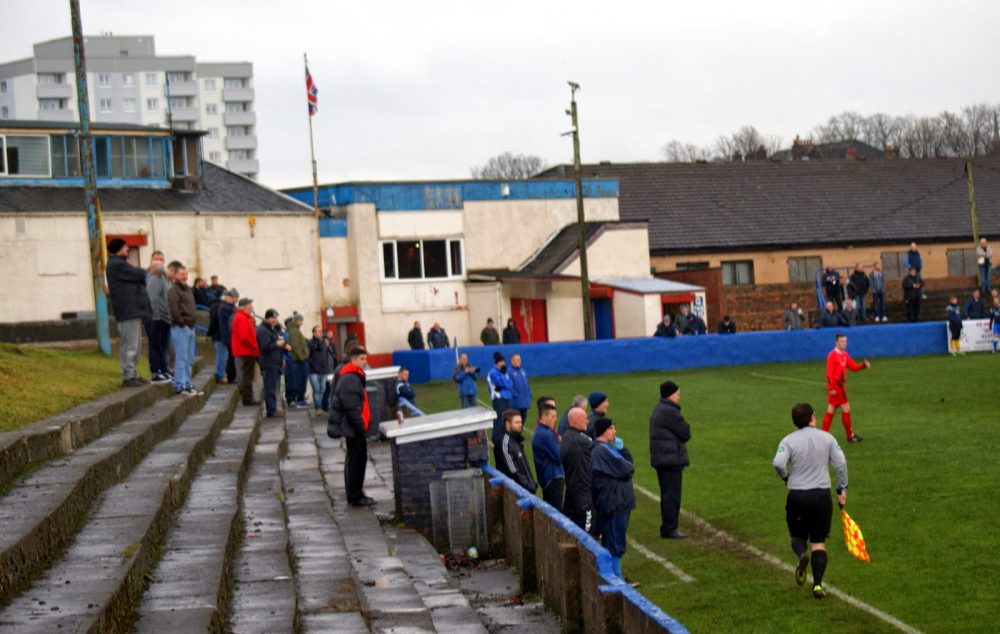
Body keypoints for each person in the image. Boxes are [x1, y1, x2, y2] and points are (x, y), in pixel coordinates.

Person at [772, 403, 849, 600]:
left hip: (798, 494)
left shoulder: (788, 440)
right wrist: (842, 488)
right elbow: (841, 463)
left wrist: (786, 477)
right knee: (818, 543)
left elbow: (778, 462)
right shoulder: (827, 437)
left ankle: (800, 556)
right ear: (813, 417)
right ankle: (817, 585)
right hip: (821, 495)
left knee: (797, 535)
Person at [328, 347, 376, 507]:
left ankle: (356, 493)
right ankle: (355, 496)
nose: (365, 361)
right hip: (354, 428)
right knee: (356, 462)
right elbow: (351, 407)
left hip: (355, 427)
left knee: (356, 461)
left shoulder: (354, 375)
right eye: (361, 359)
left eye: (365, 358)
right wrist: (361, 426)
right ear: (353, 360)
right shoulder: (350, 378)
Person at [591, 417, 636, 578]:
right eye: (612, 428)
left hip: (619, 502)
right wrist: (624, 462)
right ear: (604, 431)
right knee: (614, 543)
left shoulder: (608, 449)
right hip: (613, 503)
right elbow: (627, 469)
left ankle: (615, 576)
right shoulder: (601, 451)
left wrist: (622, 450)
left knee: (616, 541)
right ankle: (616, 579)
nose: (615, 432)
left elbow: (628, 464)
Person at [105, 238, 152, 386]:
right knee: (130, 345)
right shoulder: (117, 264)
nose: (128, 249)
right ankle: (128, 375)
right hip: (127, 310)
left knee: (134, 345)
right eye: (126, 247)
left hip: (132, 310)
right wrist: (151, 269)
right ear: (120, 248)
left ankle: (132, 373)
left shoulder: (120, 264)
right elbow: (140, 274)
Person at [649, 380, 690, 539]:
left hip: (663, 457)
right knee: (672, 495)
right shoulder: (670, 412)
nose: (679, 396)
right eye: (677, 393)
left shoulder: (659, 409)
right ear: (670, 394)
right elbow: (685, 432)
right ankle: (669, 528)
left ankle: (668, 527)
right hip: (670, 459)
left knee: (667, 493)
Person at [823, 333, 869, 442]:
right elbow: (829, 374)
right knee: (845, 409)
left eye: (845, 341)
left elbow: (853, 366)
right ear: (837, 342)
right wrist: (831, 389)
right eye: (842, 341)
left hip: (840, 387)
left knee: (831, 410)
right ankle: (850, 436)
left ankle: (823, 437)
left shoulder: (844, 355)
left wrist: (863, 365)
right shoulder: (832, 356)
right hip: (836, 388)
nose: (844, 343)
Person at [561, 407, 596, 535]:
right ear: (575, 420)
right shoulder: (581, 441)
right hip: (583, 496)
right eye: (584, 418)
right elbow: (597, 452)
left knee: (570, 531)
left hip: (571, 491)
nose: (587, 420)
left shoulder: (566, 436)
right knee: (587, 536)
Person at [167, 264, 200, 396]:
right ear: (175, 276)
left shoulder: (187, 289)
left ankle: (187, 383)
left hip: (191, 328)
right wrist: (182, 323)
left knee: (189, 358)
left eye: (186, 274)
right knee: (181, 358)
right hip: (181, 328)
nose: (185, 276)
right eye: (182, 274)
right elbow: (174, 308)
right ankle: (179, 385)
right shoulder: (173, 291)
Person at [144, 250, 172, 383]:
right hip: (156, 317)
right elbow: (152, 297)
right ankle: (156, 371)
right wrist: (155, 314)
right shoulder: (155, 276)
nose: (159, 261)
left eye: (161, 259)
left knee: (163, 344)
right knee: (155, 344)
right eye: (156, 259)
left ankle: (164, 369)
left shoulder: (165, 278)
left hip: (165, 317)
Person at [494, 410, 537, 493]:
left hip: (524, 489)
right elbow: (513, 471)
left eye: (520, 422)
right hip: (515, 492)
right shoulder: (505, 443)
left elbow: (524, 466)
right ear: (507, 424)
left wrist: (532, 483)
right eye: (517, 422)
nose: (520, 425)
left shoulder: (515, 439)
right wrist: (529, 487)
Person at [532, 402, 564, 511]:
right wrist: (561, 443)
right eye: (553, 416)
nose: (555, 419)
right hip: (553, 478)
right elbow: (559, 456)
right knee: (556, 512)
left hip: (548, 478)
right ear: (544, 417)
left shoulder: (542, 431)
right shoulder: (545, 434)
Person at [257, 309, 288, 418]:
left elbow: (276, 343)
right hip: (269, 363)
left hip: (275, 362)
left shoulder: (271, 329)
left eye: (276, 318)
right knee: (270, 388)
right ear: (268, 318)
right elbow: (265, 347)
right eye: (273, 318)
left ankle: (273, 408)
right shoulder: (263, 330)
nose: (275, 320)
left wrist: (283, 347)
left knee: (274, 388)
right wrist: (277, 344)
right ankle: (271, 410)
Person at [231, 297, 259, 406]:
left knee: (248, 376)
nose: (252, 307)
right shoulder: (241, 318)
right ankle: (248, 398)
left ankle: (248, 397)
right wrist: (254, 346)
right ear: (244, 306)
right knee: (247, 376)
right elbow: (244, 337)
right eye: (250, 305)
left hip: (246, 351)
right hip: (245, 351)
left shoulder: (244, 317)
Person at [487, 352, 513, 445]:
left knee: (508, 418)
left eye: (504, 361)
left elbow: (510, 384)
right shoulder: (493, 372)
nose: (503, 363)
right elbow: (500, 383)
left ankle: (506, 436)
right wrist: (505, 384)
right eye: (501, 362)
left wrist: (505, 384)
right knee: (499, 419)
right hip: (498, 398)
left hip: (507, 397)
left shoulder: (505, 371)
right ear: (497, 363)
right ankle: (496, 438)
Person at [284, 312, 310, 408]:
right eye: (301, 320)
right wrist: (302, 357)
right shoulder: (294, 331)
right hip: (299, 360)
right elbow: (295, 346)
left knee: (298, 380)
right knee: (300, 380)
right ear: (297, 321)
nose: (302, 322)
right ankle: (299, 399)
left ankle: (299, 398)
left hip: (297, 359)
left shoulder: (294, 330)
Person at [308, 326, 334, 413]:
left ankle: (322, 407)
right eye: (318, 331)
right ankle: (318, 408)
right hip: (313, 370)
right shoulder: (310, 343)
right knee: (316, 390)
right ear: (314, 333)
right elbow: (308, 355)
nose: (320, 333)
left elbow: (330, 355)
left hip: (324, 370)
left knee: (322, 389)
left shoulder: (325, 342)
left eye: (321, 331)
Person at [217, 289, 238, 384]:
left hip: (229, 336)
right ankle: (230, 377)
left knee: (230, 357)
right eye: (232, 297)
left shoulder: (229, 307)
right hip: (228, 336)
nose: (234, 299)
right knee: (230, 357)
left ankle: (231, 376)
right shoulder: (226, 308)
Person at [508, 353, 532, 421]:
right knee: (515, 420)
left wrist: (529, 393)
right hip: (516, 403)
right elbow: (509, 386)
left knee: (523, 419)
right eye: (517, 360)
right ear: (512, 361)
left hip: (525, 402)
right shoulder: (509, 372)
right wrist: (515, 395)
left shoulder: (523, 371)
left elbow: (527, 383)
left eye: (520, 360)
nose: (519, 361)